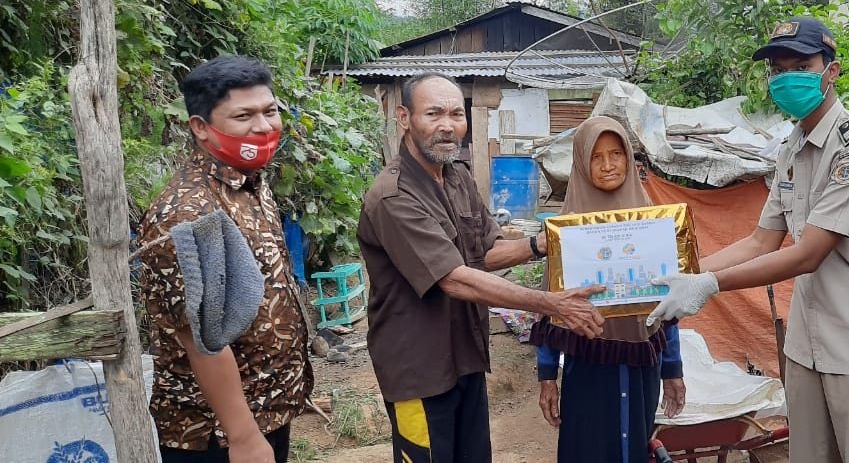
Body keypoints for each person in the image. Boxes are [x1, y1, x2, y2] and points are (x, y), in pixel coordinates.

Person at [647, 17, 849, 463]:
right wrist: (687, 272)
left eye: (801, 64)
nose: (787, 76)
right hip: (806, 345)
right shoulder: (791, 146)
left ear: (832, 70)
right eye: (777, 68)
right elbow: (760, 241)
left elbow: (808, 254)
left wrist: (709, 286)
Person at [357, 72, 606, 463]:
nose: (448, 126)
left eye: (457, 114)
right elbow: (453, 278)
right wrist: (552, 304)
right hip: (419, 368)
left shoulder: (458, 177)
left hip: (464, 356)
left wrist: (544, 243)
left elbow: (483, 252)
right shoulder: (393, 195)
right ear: (404, 118)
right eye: (434, 113)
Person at [138, 56, 313, 463]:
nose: (265, 127)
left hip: (266, 407)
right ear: (201, 127)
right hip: (216, 432)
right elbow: (202, 340)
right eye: (244, 116)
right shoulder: (189, 212)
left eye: (270, 111)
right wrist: (243, 436)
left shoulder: (250, 184)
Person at [530, 115, 686, 463]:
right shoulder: (567, 229)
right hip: (588, 364)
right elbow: (549, 309)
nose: (607, 165)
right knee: (587, 448)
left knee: (635, 449)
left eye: (616, 154)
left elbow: (667, 303)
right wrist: (547, 377)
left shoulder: (651, 221)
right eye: (596, 157)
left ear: (629, 159)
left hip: (643, 363)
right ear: (582, 164)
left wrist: (672, 369)